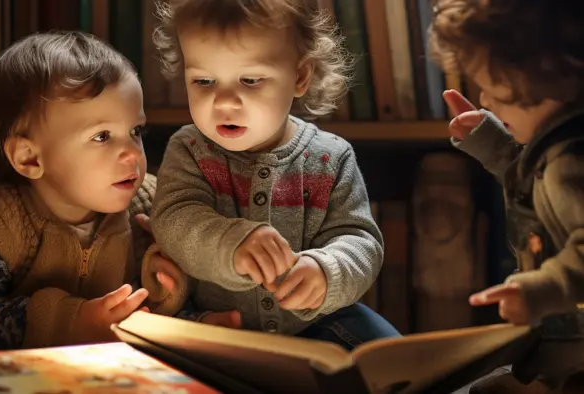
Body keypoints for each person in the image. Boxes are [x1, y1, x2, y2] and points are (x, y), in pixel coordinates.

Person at [0, 31, 184, 353]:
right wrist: (72, 322)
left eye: (135, 131)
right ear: (29, 157)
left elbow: (141, 315)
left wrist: (173, 299)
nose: (132, 154)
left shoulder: (147, 207)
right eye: (102, 136)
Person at [148, 0, 400, 351]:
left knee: (389, 354)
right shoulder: (190, 149)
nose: (223, 102)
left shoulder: (331, 157)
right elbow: (174, 220)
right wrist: (230, 243)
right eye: (203, 81)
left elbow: (361, 241)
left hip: (317, 326)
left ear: (299, 77)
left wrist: (327, 271)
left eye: (250, 80)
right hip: (215, 324)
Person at [429, 1, 584, 392]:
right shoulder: (561, 146)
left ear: (553, 80)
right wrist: (495, 145)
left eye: (498, 91)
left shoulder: (571, 166)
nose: (485, 100)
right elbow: (537, 186)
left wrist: (541, 289)